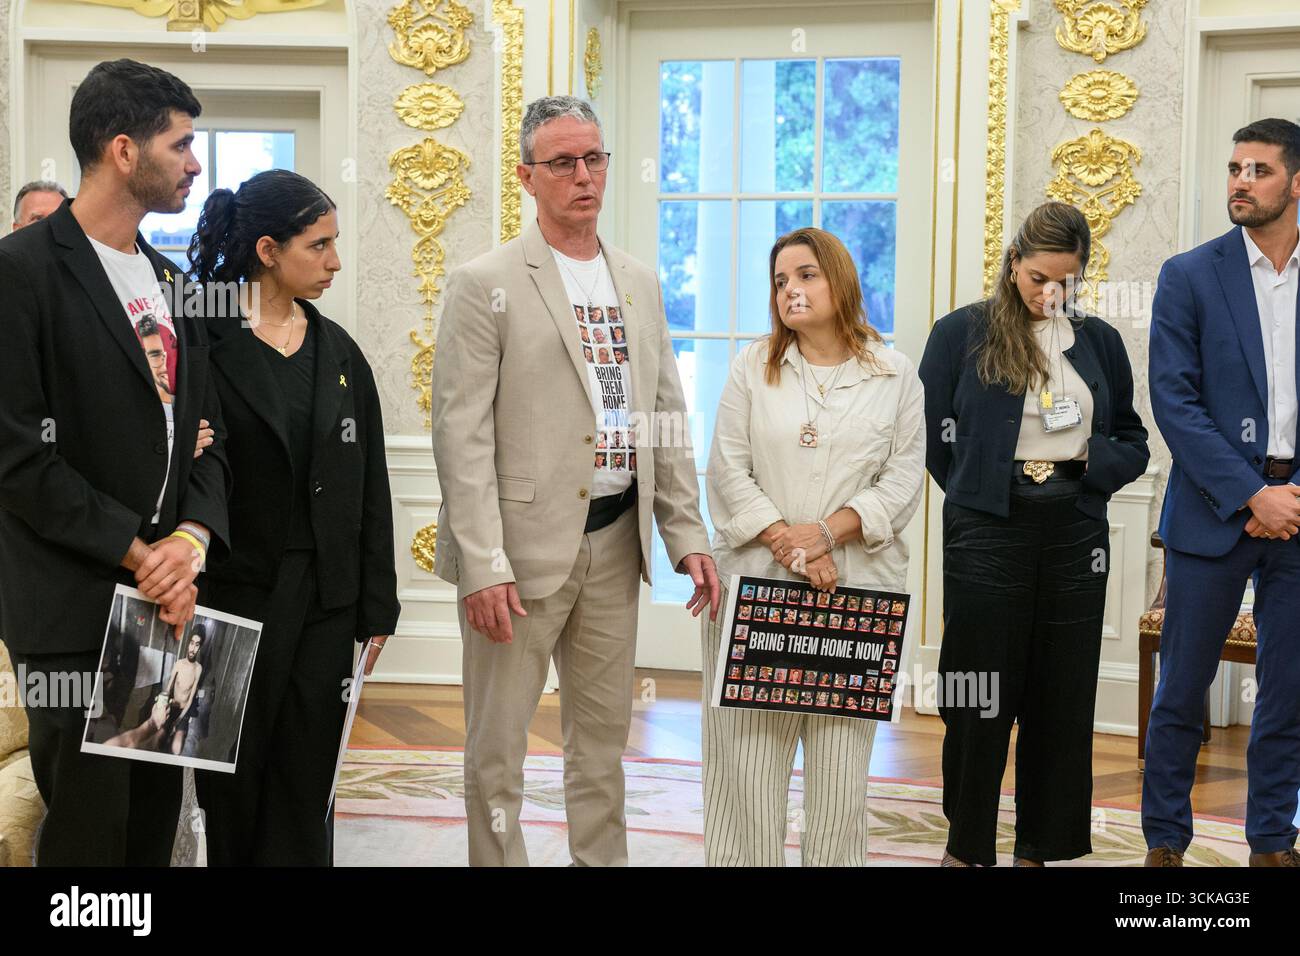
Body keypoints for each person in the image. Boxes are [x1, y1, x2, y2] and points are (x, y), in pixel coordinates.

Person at [432, 94, 719, 867]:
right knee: (497, 755)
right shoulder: (482, 281)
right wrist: (482, 564)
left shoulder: (638, 281)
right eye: (563, 162)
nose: (584, 176)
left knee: (601, 749)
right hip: (517, 557)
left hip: (616, 546)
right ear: (527, 176)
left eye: (594, 158)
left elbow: (665, 414)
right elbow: (461, 435)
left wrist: (685, 533)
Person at [0, 58, 229, 866]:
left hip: (167, 603)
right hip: (73, 605)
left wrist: (190, 541)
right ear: (124, 151)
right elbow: (20, 461)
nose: (196, 164)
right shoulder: (20, 271)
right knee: (90, 839)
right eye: (183, 144)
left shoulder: (176, 280)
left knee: (150, 829)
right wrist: (142, 553)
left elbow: (209, 433)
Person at [919, 200, 1148, 867]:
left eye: (1067, 282)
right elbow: (932, 438)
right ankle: (967, 847)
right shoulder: (961, 333)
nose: (1052, 293)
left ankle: (1038, 849)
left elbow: (1130, 439)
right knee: (976, 690)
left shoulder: (1099, 341)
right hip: (988, 531)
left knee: (1062, 697)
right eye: (1039, 278)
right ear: (1013, 262)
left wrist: (1085, 463)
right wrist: (980, 491)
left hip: (1075, 529)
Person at [187, 169, 401, 866]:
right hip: (229, 596)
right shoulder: (202, 340)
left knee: (308, 779)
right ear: (269, 250)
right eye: (320, 245)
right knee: (232, 777)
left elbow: (370, 485)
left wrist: (377, 605)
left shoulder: (339, 352)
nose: (335, 261)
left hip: (324, 599)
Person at [702, 227, 925, 866]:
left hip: (856, 596)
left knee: (838, 772)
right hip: (756, 587)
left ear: (840, 281)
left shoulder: (894, 373)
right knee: (746, 763)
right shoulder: (752, 367)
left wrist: (826, 534)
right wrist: (791, 543)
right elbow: (727, 469)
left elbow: (903, 479)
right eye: (779, 281)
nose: (790, 290)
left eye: (805, 275)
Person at [1144, 118, 1300, 868]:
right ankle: (1165, 842)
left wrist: (1292, 494)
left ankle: (1272, 842)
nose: (1240, 181)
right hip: (1211, 513)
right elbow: (1175, 403)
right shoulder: (1189, 274)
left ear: (1297, 183)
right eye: (1235, 168)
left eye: (1259, 170)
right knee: (1182, 691)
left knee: (1288, 693)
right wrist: (1251, 494)